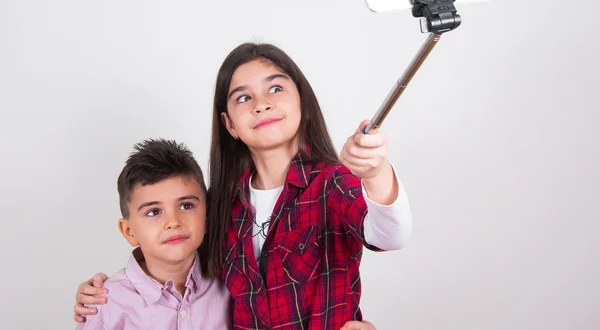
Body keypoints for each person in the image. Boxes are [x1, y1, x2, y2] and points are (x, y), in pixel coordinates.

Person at [74, 43, 413, 329]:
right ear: (229, 124)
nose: (261, 104)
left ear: (302, 103)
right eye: (242, 98)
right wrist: (110, 292)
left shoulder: (333, 184)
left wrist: (375, 171)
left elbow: (391, 235)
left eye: (275, 89)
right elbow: (178, 258)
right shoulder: (223, 202)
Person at [75, 138, 231, 329]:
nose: (173, 222)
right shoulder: (106, 305)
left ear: (207, 219)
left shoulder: (230, 284)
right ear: (129, 232)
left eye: (186, 205)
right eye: (154, 212)